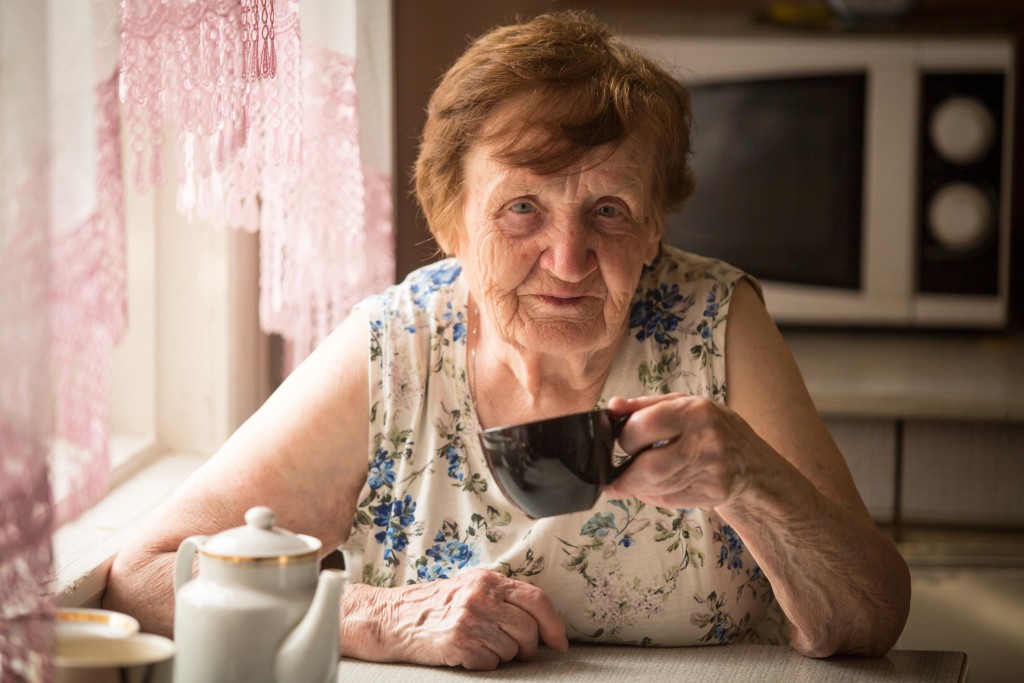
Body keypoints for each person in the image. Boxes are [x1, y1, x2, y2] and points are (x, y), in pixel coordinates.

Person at [103, 10, 911, 670]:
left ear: (656, 223)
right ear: (450, 218)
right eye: (522, 207)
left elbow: (869, 619)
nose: (567, 259)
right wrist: (376, 614)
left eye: (609, 210)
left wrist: (751, 480)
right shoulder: (398, 349)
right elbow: (147, 572)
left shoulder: (718, 322)